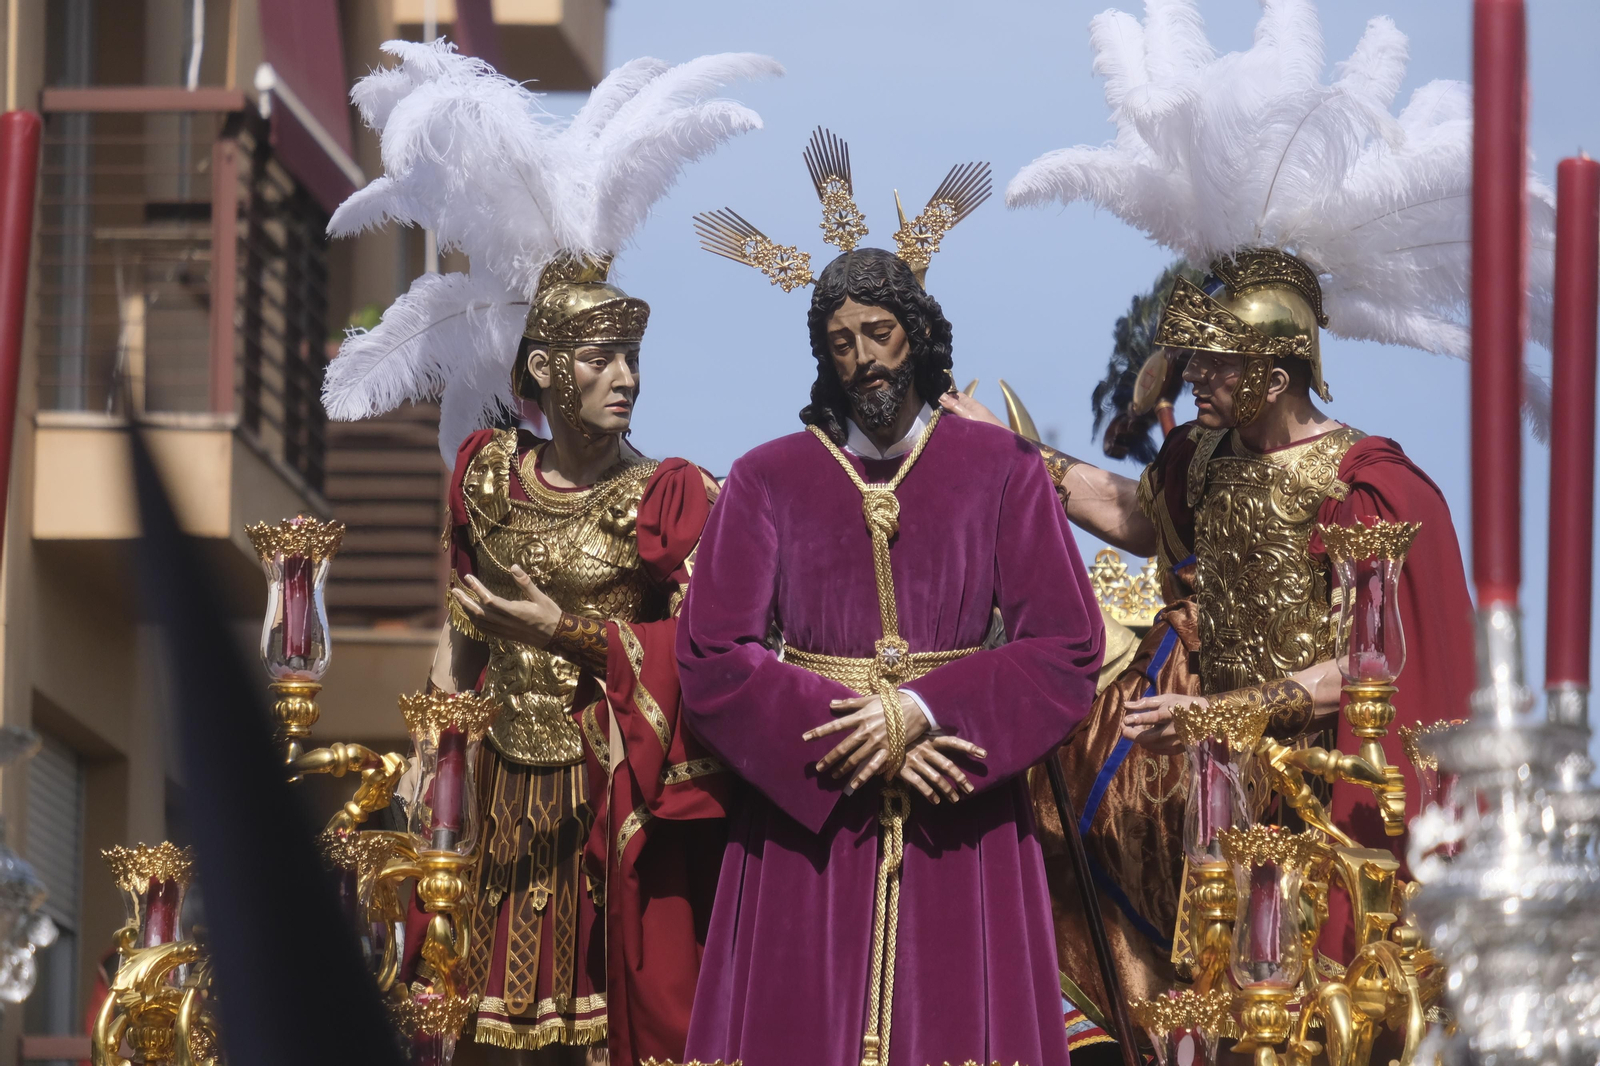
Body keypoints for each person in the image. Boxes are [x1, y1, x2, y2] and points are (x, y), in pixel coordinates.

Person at [951, 0, 1556, 986]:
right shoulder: (1203, 456)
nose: (1192, 376)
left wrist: (1238, 711)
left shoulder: (1368, 486)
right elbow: (1139, 519)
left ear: (1275, 374)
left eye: (1214, 362)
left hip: (1322, 786)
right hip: (1214, 773)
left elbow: (1374, 670)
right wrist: (1019, 456)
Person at [320, 42, 780, 1061]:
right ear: (544, 368)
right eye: (599, 356)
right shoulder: (486, 475)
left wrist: (573, 636)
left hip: (610, 794)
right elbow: (465, 637)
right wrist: (421, 756)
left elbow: (705, 663)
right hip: (494, 794)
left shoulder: (668, 498)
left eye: (631, 356)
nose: (624, 377)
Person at [678, 135, 1105, 1066]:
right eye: (841, 343)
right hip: (813, 826)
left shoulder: (1003, 471)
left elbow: (1068, 645)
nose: (864, 359)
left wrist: (919, 714)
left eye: (879, 333)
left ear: (917, 333)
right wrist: (853, 733)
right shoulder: (767, 479)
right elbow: (711, 655)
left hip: (962, 806)